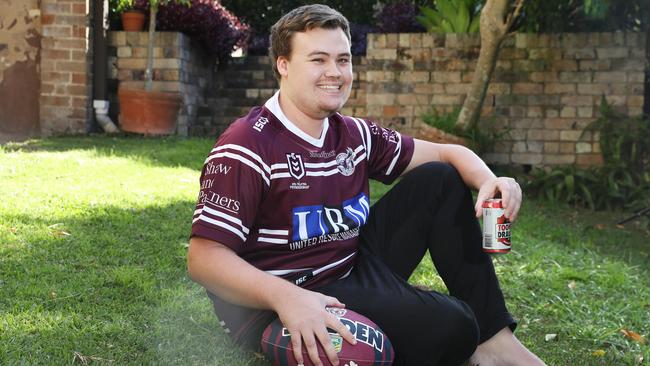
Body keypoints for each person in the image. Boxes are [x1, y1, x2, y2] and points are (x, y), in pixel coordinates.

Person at [187, 4, 546, 366]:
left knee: (441, 179)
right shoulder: (247, 145)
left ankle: (497, 342)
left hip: (350, 265)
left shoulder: (354, 133)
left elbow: (446, 153)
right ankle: (436, 329)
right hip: (279, 296)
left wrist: (490, 180)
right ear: (283, 64)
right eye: (318, 60)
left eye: (343, 60)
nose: (335, 72)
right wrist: (286, 297)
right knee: (453, 326)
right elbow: (203, 259)